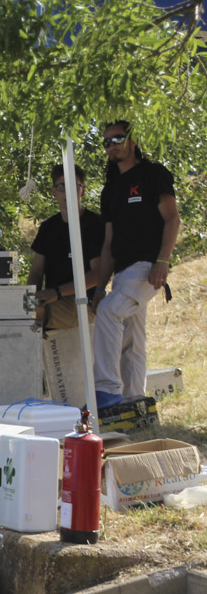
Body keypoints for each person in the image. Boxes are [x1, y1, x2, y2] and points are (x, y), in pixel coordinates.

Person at [90, 121, 181, 409]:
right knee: (132, 338)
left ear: (133, 140)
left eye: (117, 138)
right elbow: (108, 244)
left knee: (109, 312)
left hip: (147, 268)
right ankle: (133, 402)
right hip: (122, 273)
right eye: (106, 142)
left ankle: (106, 391)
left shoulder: (153, 174)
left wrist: (162, 262)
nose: (112, 145)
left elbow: (173, 219)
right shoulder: (110, 190)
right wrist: (100, 286)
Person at [27, 164, 105, 330]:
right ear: (54, 191)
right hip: (50, 301)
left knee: (34, 314)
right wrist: (31, 296)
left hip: (83, 303)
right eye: (62, 186)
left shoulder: (94, 225)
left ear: (82, 190)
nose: (67, 192)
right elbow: (36, 272)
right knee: (14, 310)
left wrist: (56, 293)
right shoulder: (48, 228)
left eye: (73, 186)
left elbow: (97, 275)